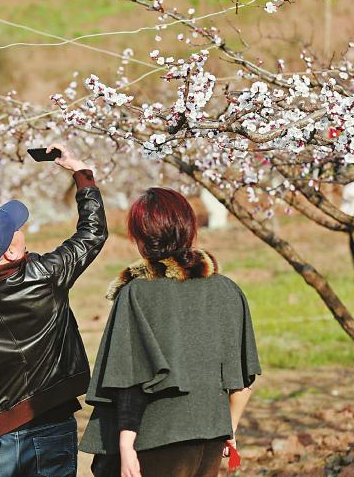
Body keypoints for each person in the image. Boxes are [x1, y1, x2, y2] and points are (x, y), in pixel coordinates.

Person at [0, 144, 107, 477]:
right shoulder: (45, 276)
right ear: (10, 252)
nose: (23, 230)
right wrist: (81, 173)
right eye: (17, 230)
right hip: (52, 418)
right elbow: (92, 234)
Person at [80, 187, 261, 477]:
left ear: (141, 239)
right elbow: (244, 381)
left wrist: (126, 446)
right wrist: (230, 427)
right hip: (211, 434)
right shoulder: (228, 290)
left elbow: (128, 377)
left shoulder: (137, 293)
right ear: (188, 228)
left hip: (154, 439)